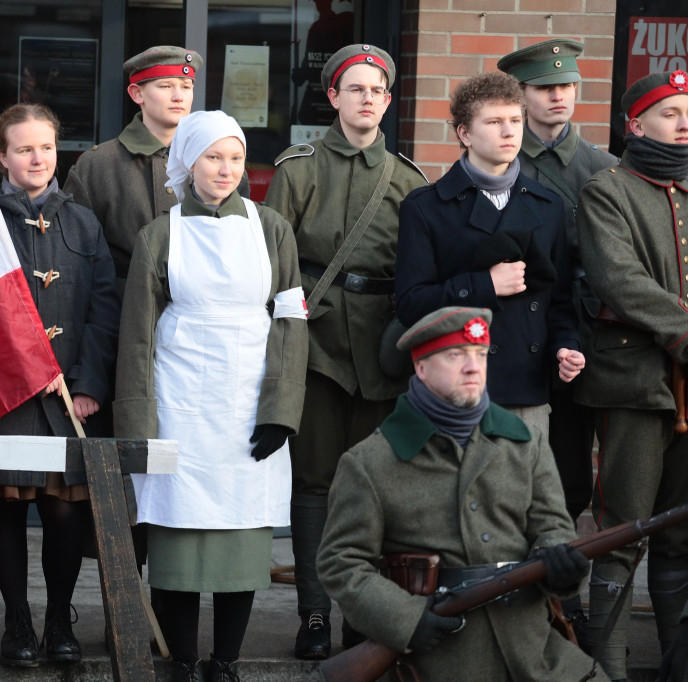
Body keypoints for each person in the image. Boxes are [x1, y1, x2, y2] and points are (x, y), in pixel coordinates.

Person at [114, 110, 308, 681]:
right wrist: (140, 423)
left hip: (249, 407)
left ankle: (225, 663)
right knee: (176, 543)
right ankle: (181, 661)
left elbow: (291, 322)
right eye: (212, 157)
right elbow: (137, 337)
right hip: (179, 409)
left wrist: (281, 411)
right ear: (188, 163)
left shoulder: (272, 228)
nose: (225, 169)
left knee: (239, 549)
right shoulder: (160, 235)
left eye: (235, 157)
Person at [316, 306, 604, 682]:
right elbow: (341, 562)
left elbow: (552, 526)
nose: (473, 367)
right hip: (434, 661)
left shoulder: (523, 443)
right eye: (456, 355)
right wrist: (406, 619)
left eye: (480, 355)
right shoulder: (370, 462)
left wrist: (562, 567)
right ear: (420, 368)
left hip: (534, 653)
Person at [264, 43, 427, 659]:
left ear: (388, 100)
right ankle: (313, 616)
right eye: (355, 89)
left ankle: (363, 617)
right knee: (314, 482)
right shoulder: (298, 169)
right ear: (332, 96)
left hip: (382, 349)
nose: (367, 100)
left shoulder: (409, 179)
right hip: (318, 345)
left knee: (376, 487)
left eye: (378, 91)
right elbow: (273, 265)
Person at [0, 103, 121, 669]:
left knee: (64, 510)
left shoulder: (84, 221)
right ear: (3, 157)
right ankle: (17, 620)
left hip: (69, 394)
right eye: (24, 149)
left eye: (45, 147)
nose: (37, 158)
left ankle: (60, 616)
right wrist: (2, 380)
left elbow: (103, 306)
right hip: (7, 393)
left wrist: (89, 384)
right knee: (8, 507)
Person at [395, 71, 583, 441]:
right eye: (494, 122)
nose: (509, 132)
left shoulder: (548, 207)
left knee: (521, 496)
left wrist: (566, 348)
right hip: (453, 388)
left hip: (525, 388)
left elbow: (561, 302)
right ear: (465, 133)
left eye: (515, 120)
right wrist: (486, 285)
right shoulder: (426, 207)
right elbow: (411, 305)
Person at [575, 69, 688, 681]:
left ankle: (675, 664)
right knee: (622, 532)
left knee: (680, 537)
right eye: (670, 112)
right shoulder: (608, 189)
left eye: (687, 111)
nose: (684, 122)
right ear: (635, 124)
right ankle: (608, 670)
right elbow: (619, 279)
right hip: (635, 384)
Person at [497, 42, 616, 579]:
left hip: (585, 341)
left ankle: (558, 594)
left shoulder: (605, 169)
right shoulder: (498, 164)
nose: (558, 96)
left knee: (570, 474)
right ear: (522, 95)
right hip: (515, 336)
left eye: (566, 86)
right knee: (508, 472)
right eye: (545, 88)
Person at [63, 45, 248, 296]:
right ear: (137, 93)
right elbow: (75, 256)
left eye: (186, 86)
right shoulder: (98, 165)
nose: (178, 96)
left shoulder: (220, 161)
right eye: (165, 86)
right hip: (122, 310)